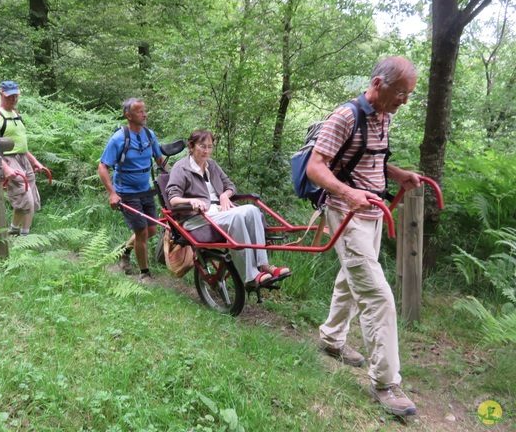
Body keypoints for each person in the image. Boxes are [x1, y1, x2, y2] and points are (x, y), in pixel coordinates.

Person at [306, 56, 422, 417]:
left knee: (350, 278)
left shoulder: (384, 116)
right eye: (400, 92)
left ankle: (331, 337)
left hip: (373, 213)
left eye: (408, 94)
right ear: (377, 83)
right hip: (347, 212)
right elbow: (315, 166)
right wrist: (348, 194)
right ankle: (385, 382)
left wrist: (397, 173)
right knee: (377, 294)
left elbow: (365, 159)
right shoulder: (345, 116)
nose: (404, 100)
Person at [165, 130, 291, 289]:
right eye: (202, 146)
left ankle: (263, 265)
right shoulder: (181, 167)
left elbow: (230, 185)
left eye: (210, 147)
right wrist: (192, 201)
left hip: (218, 211)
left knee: (252, 210)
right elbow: (173, 199)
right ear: (191, 146)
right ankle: (251, 276)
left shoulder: (212, 165)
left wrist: (225, 194)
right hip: (197, 216)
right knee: (237, 217)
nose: (206, 151)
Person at [98, 98, 165, 279]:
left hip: (146, 189)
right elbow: (102, 166)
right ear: (128, 115)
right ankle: (145, 274)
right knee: (141, 231)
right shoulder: (119, 139)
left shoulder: (150, 135)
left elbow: (160, 160)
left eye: (145, 110)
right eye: (140, 112)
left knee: (151, 229)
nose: (145, 115)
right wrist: (112, 193)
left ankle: (124, 251)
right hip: (126, 192)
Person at [0, 80, 46, 236]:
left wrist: (35, 162)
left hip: (23, 159)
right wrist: (6, 168)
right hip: (8, 160)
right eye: (10, 96)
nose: (14, 99)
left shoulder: (16, 114)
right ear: (1, 94)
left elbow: (21, 145)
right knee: (26, 199)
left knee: (30, 197)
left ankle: (13, 229)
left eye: (16, 96)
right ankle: (25, 237)